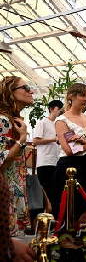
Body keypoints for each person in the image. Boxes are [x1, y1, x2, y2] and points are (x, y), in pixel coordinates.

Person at [0, 76, 35, 260]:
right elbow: (1, 161)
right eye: (26, 87)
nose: (31, 91)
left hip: (15, 193)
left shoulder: (13, 120)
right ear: (10, 92)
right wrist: (21, 140)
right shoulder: (3, 121)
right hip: (6, 197)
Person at [54, 83, 86, 220]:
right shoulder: (61, 120)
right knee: (71, 205)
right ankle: (68, 236)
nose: (85, 99)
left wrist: (85, 142)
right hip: (70, 167)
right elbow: (69, 150)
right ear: (71, 97)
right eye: (82, 95)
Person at [33, 100, 63, 209]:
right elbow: (35, 141)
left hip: (56, 161)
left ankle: (55, 219)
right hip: (44, 162)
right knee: (47, 193)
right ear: (51, 109)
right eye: (58, 109)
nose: (60, 112)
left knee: (55, 193)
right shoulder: (42, 122)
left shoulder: (58, 124)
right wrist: (54, 139)